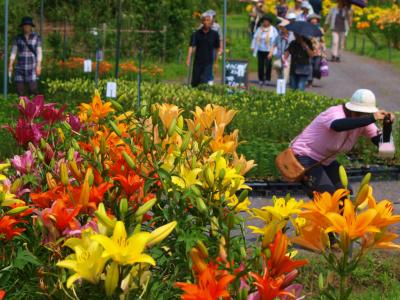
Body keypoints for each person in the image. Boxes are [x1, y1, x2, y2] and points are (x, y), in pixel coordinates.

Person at [290, 89, 395, 197]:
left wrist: (387, 126)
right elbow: (338, 126)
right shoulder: (335, 113)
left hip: (326, 160)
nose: (363, 116)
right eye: (360, 113)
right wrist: (371, 118)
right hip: (304, 156)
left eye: (366, 114)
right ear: (351, 109)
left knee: (345, 194)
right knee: (327, 196)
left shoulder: (364, 122)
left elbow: (386, 150)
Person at [8, 16, 43, 97]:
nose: (26, 26)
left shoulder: (36, 37)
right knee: (20, 91)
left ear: (31, 26)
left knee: (33, 89)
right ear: (22, 26)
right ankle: (22, 108)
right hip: (20, 67)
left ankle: (34, 107)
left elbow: (39, 52)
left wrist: (39, 66)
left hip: (32, 67)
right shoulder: (18, 38)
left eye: (28, 25)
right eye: (25, 25)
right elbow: (13, 52)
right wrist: (10, 64)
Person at [187, 14, 220, 87]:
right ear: (202, 22)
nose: (206, 22)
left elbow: (217, 48)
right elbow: (192, 47)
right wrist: (188, 58)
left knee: (204, 82)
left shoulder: (214, 34)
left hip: (208, 62)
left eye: (208, 20)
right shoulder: (196, 34)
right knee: (195, 82)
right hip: (198, 62)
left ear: (211, 22)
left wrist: (216, 62)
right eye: (204, 20)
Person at [251, 15, 279, 86]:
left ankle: (267, 79)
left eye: (267, 21)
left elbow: (276, 39)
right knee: (260, 65)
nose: (265, 22)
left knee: (268, 65)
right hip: (260, 50)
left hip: (269, 50)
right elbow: (255, 38)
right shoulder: (259, 29)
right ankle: (260, 78)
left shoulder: (273, 29)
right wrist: (252, 46)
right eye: (264, 21)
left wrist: (274, 50)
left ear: (269, 22)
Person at [271, 18, 294, 82]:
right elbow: (274, 44)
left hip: (288, 58)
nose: (282, 29)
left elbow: (293, 46)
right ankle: (280, 85)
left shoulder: (292, 35)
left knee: (285, 73)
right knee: (278, 70)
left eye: (283, 27)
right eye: (281, 27)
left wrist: (287, 40)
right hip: (279, 56)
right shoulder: (279, 35)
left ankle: (283, 86)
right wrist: (270, 52)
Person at [307, 14, 326, 87]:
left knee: (316, 67)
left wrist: (324, 49)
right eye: (312, 19)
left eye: (315, 19)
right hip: (310, 51)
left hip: (318, 51)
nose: (314, 20)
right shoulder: (307, 29)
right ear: (309, 20)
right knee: (310, 66)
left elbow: (323, 40)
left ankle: (316, 75)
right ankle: (310, 82)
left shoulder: (320, 29)